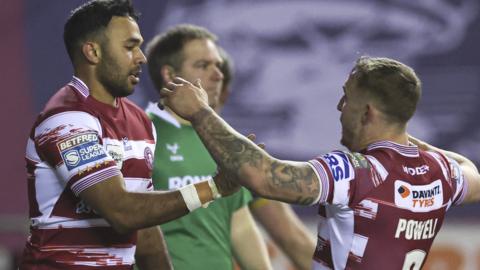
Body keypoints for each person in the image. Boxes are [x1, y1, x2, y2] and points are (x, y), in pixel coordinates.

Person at [160, 56, 480, 269]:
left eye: (347, 98)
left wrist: (200, 112)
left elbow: (266, 177)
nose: (340, 106)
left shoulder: (355, 172)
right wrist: (408, 142)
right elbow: (472, 173)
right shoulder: (441, 172)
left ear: (367, 112)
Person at [20, 1, 237, 269]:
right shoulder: (65, 120)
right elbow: (122, 212)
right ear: (93, 51)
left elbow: (144, 231)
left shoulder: (139, 121)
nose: (141, 57)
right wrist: (213, 188)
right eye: (129, 46)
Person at [144, 24, 272, 270]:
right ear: (170, 75)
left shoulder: (221, 139)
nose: (218, 75)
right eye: (203, 65)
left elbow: (240, 224)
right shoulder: (137, 134)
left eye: (218, 66)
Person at [218, 46, 316, 270]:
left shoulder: (241, 155)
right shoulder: (148, 141)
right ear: (169, 76)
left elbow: (293, 239)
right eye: (202, 66)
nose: (213, 77)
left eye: (219, 73)